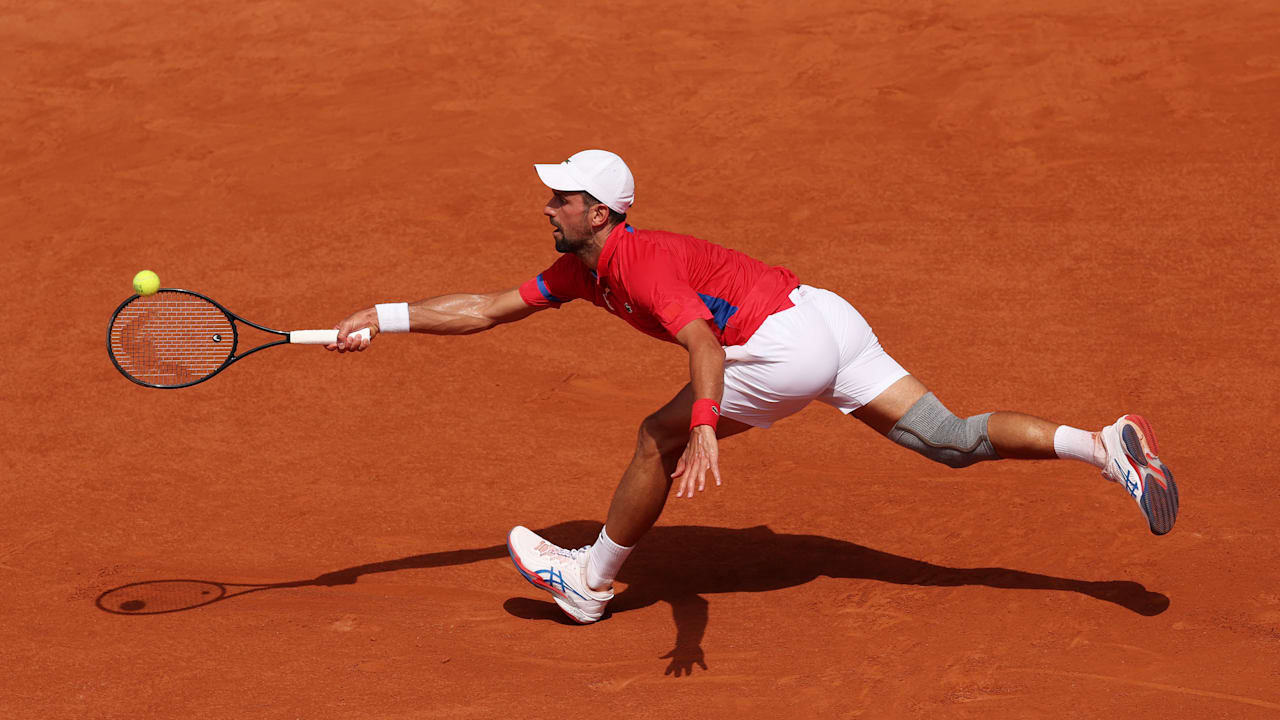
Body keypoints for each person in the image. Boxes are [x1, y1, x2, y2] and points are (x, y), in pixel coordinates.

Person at [327, 149, 1178, 624]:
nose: (549, 205)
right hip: (825, 318)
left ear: (604, 213)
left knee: (654, 437)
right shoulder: (582, 270)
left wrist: (701, 423)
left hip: (780, 344)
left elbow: (700, 339)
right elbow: (484, 307)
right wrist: (382, 313)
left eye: (565, 197)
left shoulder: (642, 261)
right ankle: (1101, 447)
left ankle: (589, 582)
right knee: (946, 439)